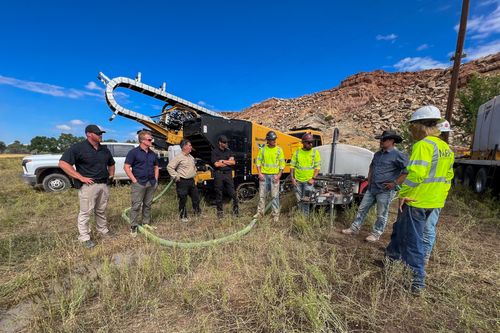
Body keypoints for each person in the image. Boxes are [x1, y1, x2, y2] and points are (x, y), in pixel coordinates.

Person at [385, 105, 454, 293]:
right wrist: (439, 197)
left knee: (412, 240)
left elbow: (415, 174)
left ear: (419, 126)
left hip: (416, 200)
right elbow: (448, 177)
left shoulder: (423, 145)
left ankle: (416, 280)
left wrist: (403, 194)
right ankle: (391, 258)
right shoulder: (445, 147)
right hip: (434, 200)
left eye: (411, 127)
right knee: (400, 229)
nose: (411, 131)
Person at [342, 130, 408, 242]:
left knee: (381, 213)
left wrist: (395, 183)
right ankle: (354, 228)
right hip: (372, 188)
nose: (381, 141)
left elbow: (406, 171)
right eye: (380, 139)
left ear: (392, 141)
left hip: (385, 190)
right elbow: (372, 167)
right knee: (362, 208)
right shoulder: (378, 154)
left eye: (384, 139)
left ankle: (376, 233)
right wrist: (369, 179)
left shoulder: (398, 155)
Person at [59, 124, 115, 249]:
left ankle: (103, 230)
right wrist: (80, 177)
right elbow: (63, 163)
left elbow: (111, 164)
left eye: (101, 133)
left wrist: (111, 176)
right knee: (86, 212)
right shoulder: (78, 148)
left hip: (103, 185)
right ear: (88, 134)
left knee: (101, 210)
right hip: (89, 186)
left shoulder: (104, 149)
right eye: (98, 133)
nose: (101, 135)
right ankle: (84, 237)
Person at [422, 119, 453, 263]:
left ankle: (420, 256)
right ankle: (425, 256)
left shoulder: (428, 146)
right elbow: (448, 177)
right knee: (429, 227)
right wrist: (443, 194)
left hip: (424, 196)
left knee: (421, 227)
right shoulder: (449, 151)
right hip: (437, 197)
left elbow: (418, 173)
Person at [124, 130, 159, 236]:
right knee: (136, 206)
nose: (151, 141)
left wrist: (156, 179)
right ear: (142, 140)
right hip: (139, 183)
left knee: (148, 204)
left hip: (151, 183)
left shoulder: (153, 153)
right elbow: (126, 167)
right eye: (149, 139)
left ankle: (145, 223)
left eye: (151, 139)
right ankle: (133, 226)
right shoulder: (134, 152)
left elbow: (156, 167)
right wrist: (134, 180)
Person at [254, 130, 285, 222]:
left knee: (274, 196)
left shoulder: (279, 150)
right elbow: (258, 163)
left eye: (275, 139)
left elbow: (282, 165)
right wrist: (259, 173)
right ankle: (260, 213)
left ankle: (275, 215)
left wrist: (279, 176)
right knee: (262, 196)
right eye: (272, 139)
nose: (274, 141)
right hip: (264, 176)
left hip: (274, 177)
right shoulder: (262, 150)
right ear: (268, 140)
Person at [167, 139, 201, 222]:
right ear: (184, 146)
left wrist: (195, 171)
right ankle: (183, 216)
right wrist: (176, 176)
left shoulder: (191, 157)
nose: (191, 147)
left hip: (191, 181)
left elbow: (193, 166)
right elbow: (170, 167)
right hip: (182, 181)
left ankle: (197, 213)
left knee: (196, 197)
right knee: (183, 199)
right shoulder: (179, 157)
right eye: (189, 145)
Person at [290, 133, 321, 215]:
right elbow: (292, 167)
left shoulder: (315, 153)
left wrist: (313, 178)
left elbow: (317, 168)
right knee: (299, 200)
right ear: (303, 143)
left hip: (308, 182)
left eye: (311, 142)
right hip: (298, 181)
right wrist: (292, 179)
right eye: (308, 142)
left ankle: (305, 218)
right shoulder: (297, 153)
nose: (311, 144)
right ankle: (301, 216)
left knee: (307, 200)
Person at [211, 135, 239, 218]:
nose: (226, 144)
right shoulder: (214, 152)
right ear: (220, 143)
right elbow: (216, 164)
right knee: (219, 194)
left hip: (228, 174)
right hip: (219, 174)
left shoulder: (229, 151)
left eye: (226, 142)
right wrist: (227, 162)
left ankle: (236, 212)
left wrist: (222, 161)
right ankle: (220, 213)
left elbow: (233, 162)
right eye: (224, 142)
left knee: (233, 193)